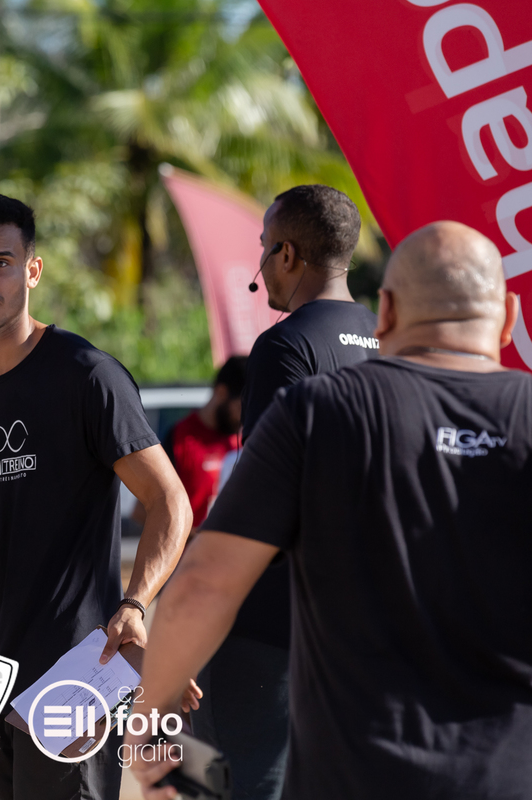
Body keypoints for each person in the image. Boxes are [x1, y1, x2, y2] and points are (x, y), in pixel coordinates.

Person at [129, 221, 532, 800]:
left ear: (386, 311)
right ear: (509, 316)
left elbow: (204, 585)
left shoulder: (316, 412)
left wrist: (150, 723)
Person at [0, 193, 193, 800]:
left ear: (32, 270)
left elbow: (170, 501)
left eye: (2, 262)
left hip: (78, 675)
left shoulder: (87, 376)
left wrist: (136, 606)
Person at [198, 184, 380, 800]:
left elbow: (270, 494)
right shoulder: (393, 342)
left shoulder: (284, 345)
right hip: (365, 625)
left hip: (275, 626)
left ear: (288, 254)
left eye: (262, 250)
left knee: (249, 785)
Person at [162, 356, 248, 532]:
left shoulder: (245, 441)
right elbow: (142, 510)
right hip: (188, 556)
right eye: (241, 408)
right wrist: (194, 535)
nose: (245, 417)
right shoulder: (180, 437)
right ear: (222, 392)